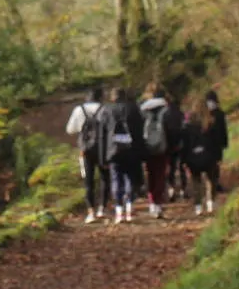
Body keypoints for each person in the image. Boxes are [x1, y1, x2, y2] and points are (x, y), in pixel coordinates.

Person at [99, 85, 145, 223]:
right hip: (131, 150)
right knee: (130, 178)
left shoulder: (106, 110)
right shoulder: (133, 109)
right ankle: (129, 209)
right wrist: (141, 152)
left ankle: (119, 211)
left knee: (116, 179)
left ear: (112, 97)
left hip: (113, 150)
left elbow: (102, 135)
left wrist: (103, 158)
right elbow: (140, 132)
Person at [64, 87, 108, 224]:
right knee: (105, 178)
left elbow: (70, 130)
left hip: (85, 150)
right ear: (100, 97)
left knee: (88, 181)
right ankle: (102, 208)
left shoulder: (79, 110)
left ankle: (91, 212)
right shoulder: (105, 109)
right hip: (103, 149)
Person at [188, 90, 229, 215]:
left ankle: (198, 206)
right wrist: (219, 155)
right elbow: (218, 139)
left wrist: (185, 158)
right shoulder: (212, 121)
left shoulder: (190, 123)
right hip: (210, 155)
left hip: (194, 156)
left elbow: (187, 140)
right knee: (211, 179)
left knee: (196, 181)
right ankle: (211, 203)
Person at [139, 82, 174, 219]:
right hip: (163, 147)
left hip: (147, 147)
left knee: (150, 174)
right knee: (160, 175)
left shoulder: (142, 109)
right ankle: (158, 203)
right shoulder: (166, 109)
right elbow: (171, 129)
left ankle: (151, 202)